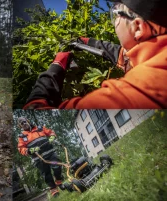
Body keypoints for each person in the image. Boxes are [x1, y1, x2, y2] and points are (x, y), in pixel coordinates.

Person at [23, 0, 167, 109]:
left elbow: (35, 108)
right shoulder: (156, 55)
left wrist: (56, 66)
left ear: (137, 28)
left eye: (116, 15)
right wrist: (87, 42)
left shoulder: (137, 93)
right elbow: (120, 53)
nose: (114, 22)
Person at [17, 117, 66, 197]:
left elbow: (51, 132)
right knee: (47, 174)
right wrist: (29, 150)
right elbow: (21, 148)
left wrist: (52, 136)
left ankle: (59, 181)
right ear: (20, 126)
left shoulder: (39, 128)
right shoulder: (21, 136)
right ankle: (53, 189)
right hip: (39, 159)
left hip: (50, 154)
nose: (24, 124)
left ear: (28, 121)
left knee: (57, 166)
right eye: (22, 123)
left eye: (24, 122)